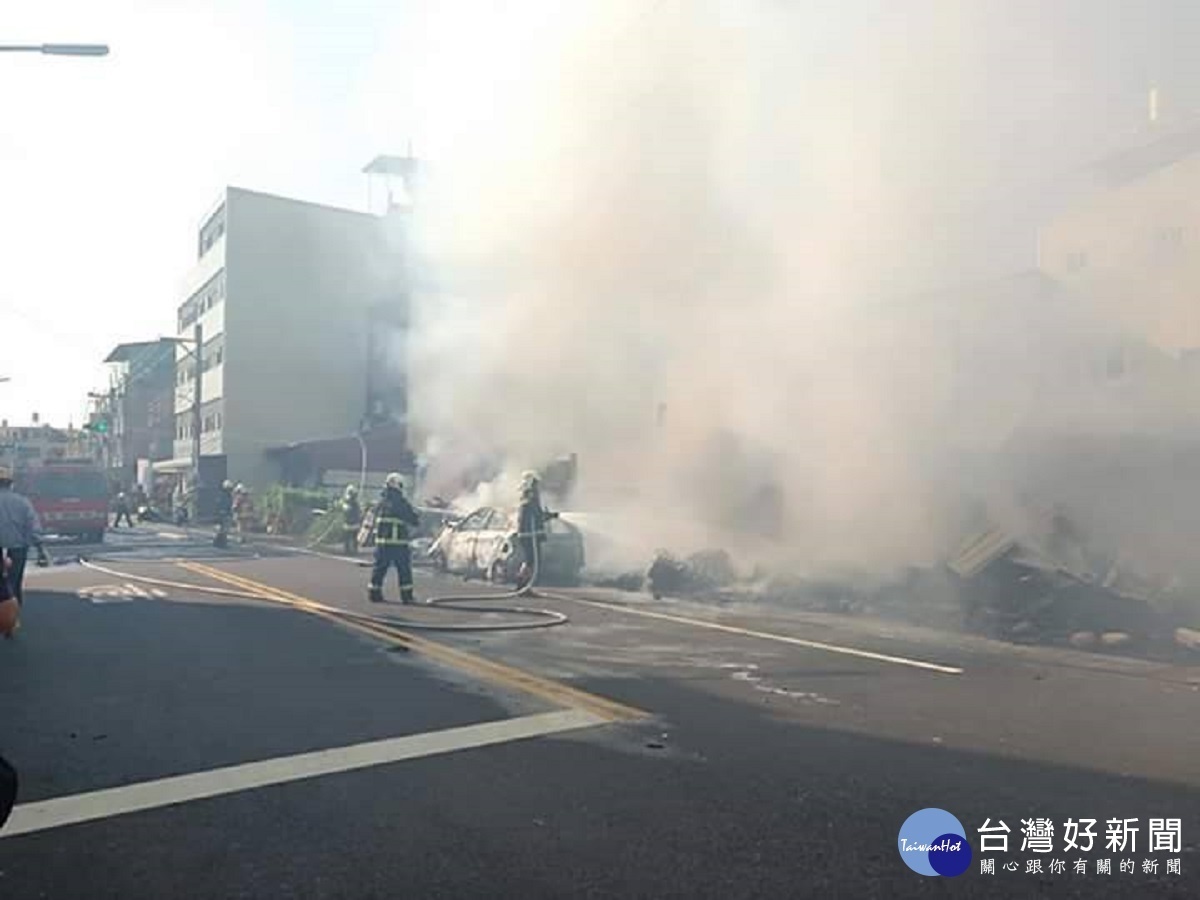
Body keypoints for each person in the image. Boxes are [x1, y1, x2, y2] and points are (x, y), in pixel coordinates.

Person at [0, 466, 50, 634]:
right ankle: (12, 621)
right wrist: (40, 548)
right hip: (18, 548)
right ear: (11, 484)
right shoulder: (22, 502)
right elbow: (33, 526)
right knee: (14, 584)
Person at [367, 473, 420, 604]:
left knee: (379, 569)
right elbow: (413, 520)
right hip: (398, 544)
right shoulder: (400, 502)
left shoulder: (381, 503)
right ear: (398, 485)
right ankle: (407, 597)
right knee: (404, 570)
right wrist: (416, 514)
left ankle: (374, 594)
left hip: (381, 544)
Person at [515, 471, 558, 592]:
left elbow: (535, 515)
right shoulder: (531, 498)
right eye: (536, 483)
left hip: (529, 535)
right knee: (531, 561)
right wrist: (550, 516)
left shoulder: (527, 497)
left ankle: (524, 585)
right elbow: (537, 515)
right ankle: (522, 584)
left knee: (530, 561)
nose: (537, 486)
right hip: (530, 536)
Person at [341, 484, 362, 556]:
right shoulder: (348, 501)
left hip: (352, 522)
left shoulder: (354, 503)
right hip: (349, 522)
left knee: (352, 537)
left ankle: (352, 550)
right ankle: (348, 550)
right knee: (349, 537)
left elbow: (356, 511)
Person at [214, 479, 234, 547]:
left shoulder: (228, 496)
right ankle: (220, 542)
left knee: (224, 529)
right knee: (222, 529)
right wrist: (221, 511)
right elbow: (219, 504)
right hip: (222, 515)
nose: (230, 490)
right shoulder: (222, 495)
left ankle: (221, 542)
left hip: (226, 514)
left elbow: (229, 505)